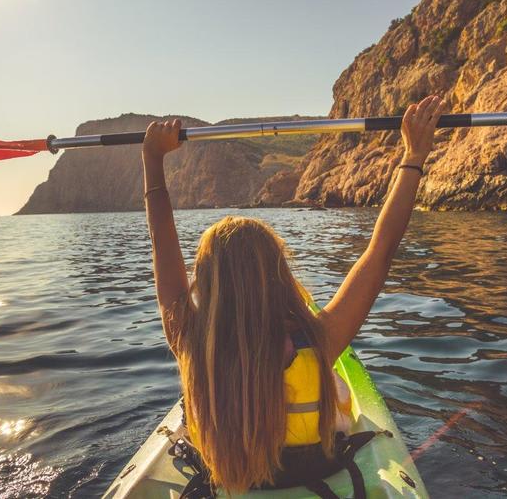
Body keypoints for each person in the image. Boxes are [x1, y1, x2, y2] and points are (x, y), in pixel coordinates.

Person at [141, 95, 448, 493]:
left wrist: (152, 160)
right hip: (312, 477)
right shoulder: (321, 338)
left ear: (207, 280)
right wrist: (414, 155)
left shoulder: (188, 336)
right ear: (279, 277)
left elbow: (160, 238)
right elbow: (380, 251)